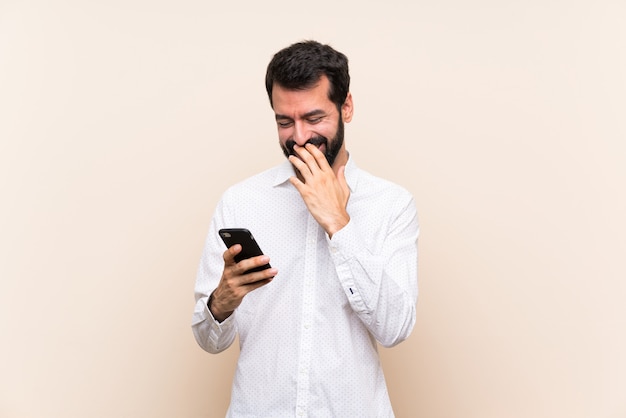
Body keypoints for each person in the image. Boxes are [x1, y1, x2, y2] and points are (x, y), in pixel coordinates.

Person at [192, 40, 419, 417]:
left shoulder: (391, 204)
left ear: (346, 107)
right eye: (285, 121)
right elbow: (209, 340)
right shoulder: (240, 201)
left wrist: (339, 224)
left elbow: (395, 328)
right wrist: (221, 303)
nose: (298, 137)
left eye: (314, 119)